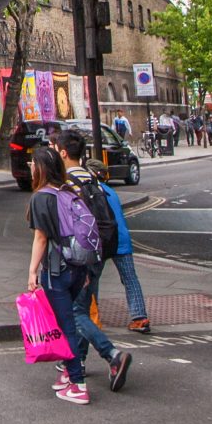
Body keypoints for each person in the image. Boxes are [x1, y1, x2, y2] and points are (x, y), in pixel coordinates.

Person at [25, 143, 131, 405]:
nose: (30, 167)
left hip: (57, 269)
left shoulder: (41, 197)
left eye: (32, 164)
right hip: (78, 266)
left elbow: (41, 238)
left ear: (40, 168)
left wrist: (32, 271)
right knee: (72, 319)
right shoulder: (67, 191)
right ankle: (70, 376)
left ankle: (78, 384)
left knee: (67, 326)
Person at [63, 131, 148, 334]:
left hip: (102, 240)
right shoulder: (108, 190)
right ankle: (140, 317)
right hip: (121, 239)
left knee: (91, 281)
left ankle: (92, 318)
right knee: (130, 279)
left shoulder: (89, 190)